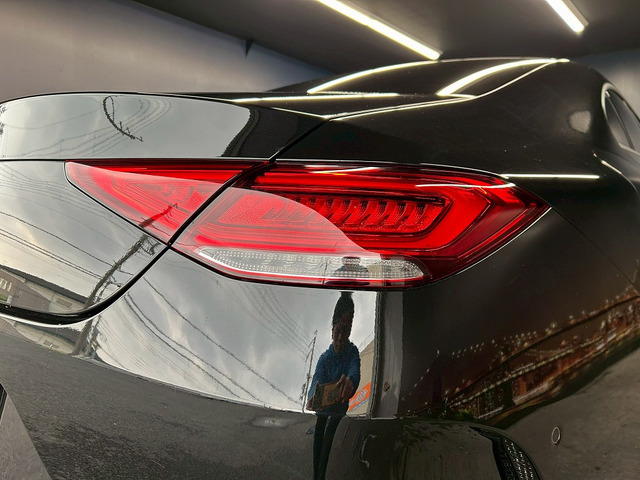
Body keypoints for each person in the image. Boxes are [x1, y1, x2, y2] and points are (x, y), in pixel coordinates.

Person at [307, 292, 360, 480]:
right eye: (338, 330)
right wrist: (313, 396)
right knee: (318, 440)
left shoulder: (352, 352)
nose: (340, 337)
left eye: (346, 331)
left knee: (330, 438)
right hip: (323, 412)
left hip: (339, 414)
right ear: (332, 330)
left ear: (350, 330)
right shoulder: (324, 359)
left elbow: (355, 371)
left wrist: (351, 381)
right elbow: (316, 380)